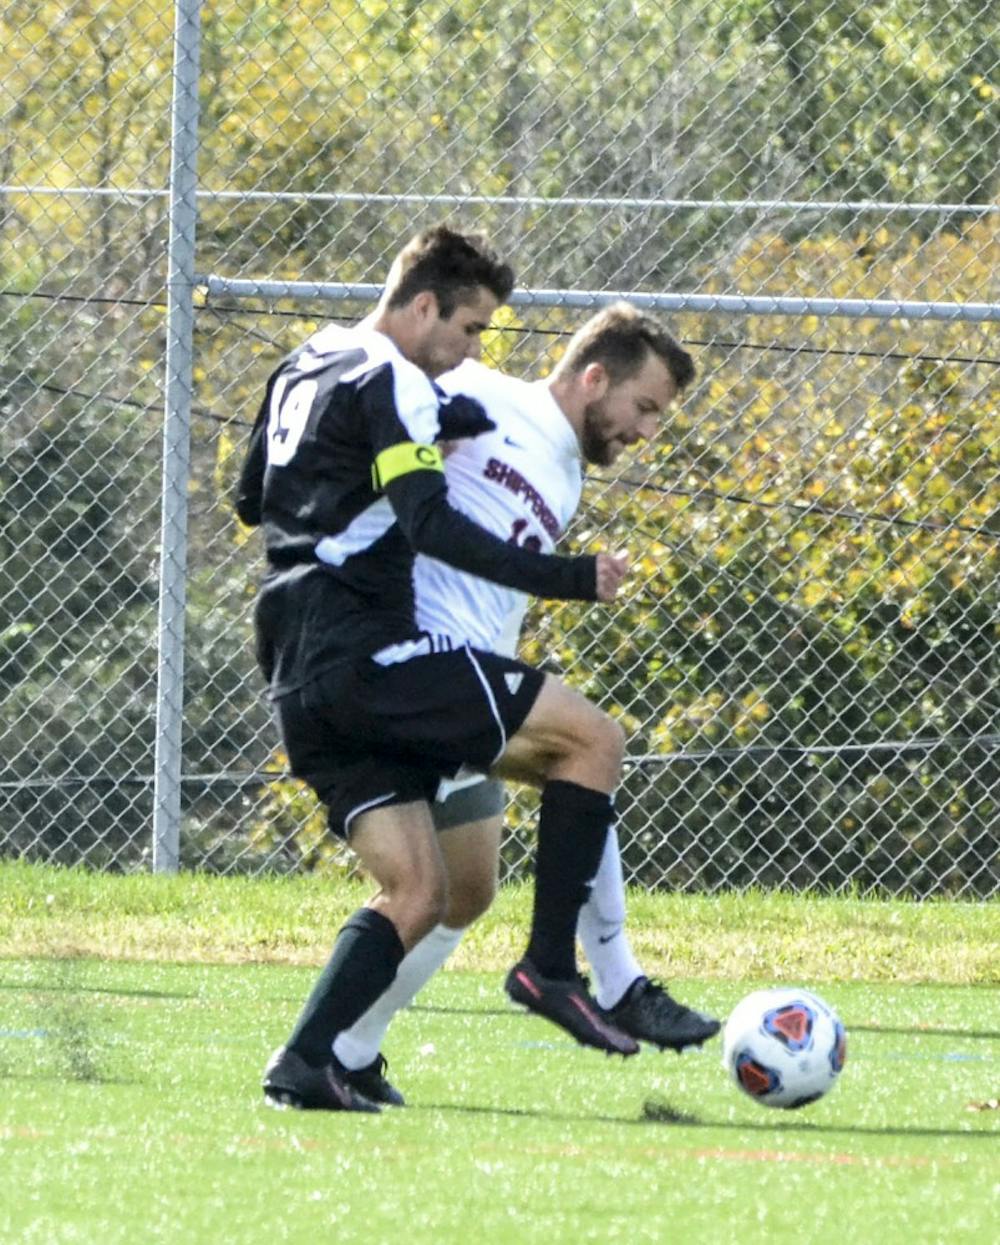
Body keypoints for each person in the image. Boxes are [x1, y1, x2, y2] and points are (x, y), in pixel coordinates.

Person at [238, 227, 650, 1114]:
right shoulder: (395, 377)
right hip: (366, 646)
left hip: (289, 654)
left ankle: (307, 1062)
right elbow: (429, 525)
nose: (469, 352)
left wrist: (422, 435)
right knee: (592, 738)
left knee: (423, 890)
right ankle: (552, 968)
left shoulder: (304, 362)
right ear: (421, 305)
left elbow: (249, 497)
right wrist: (567, 577)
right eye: (468, 329)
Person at [330, 304, 720, 1105]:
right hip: (415, 663)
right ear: (593, 377)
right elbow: (377, 382)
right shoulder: (476, 389)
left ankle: (343, 1051)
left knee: (464, 889)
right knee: (589, 746)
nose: (646, 432)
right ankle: (607, 980)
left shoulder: (567, 471)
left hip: (471, 680)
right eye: (643, 408)